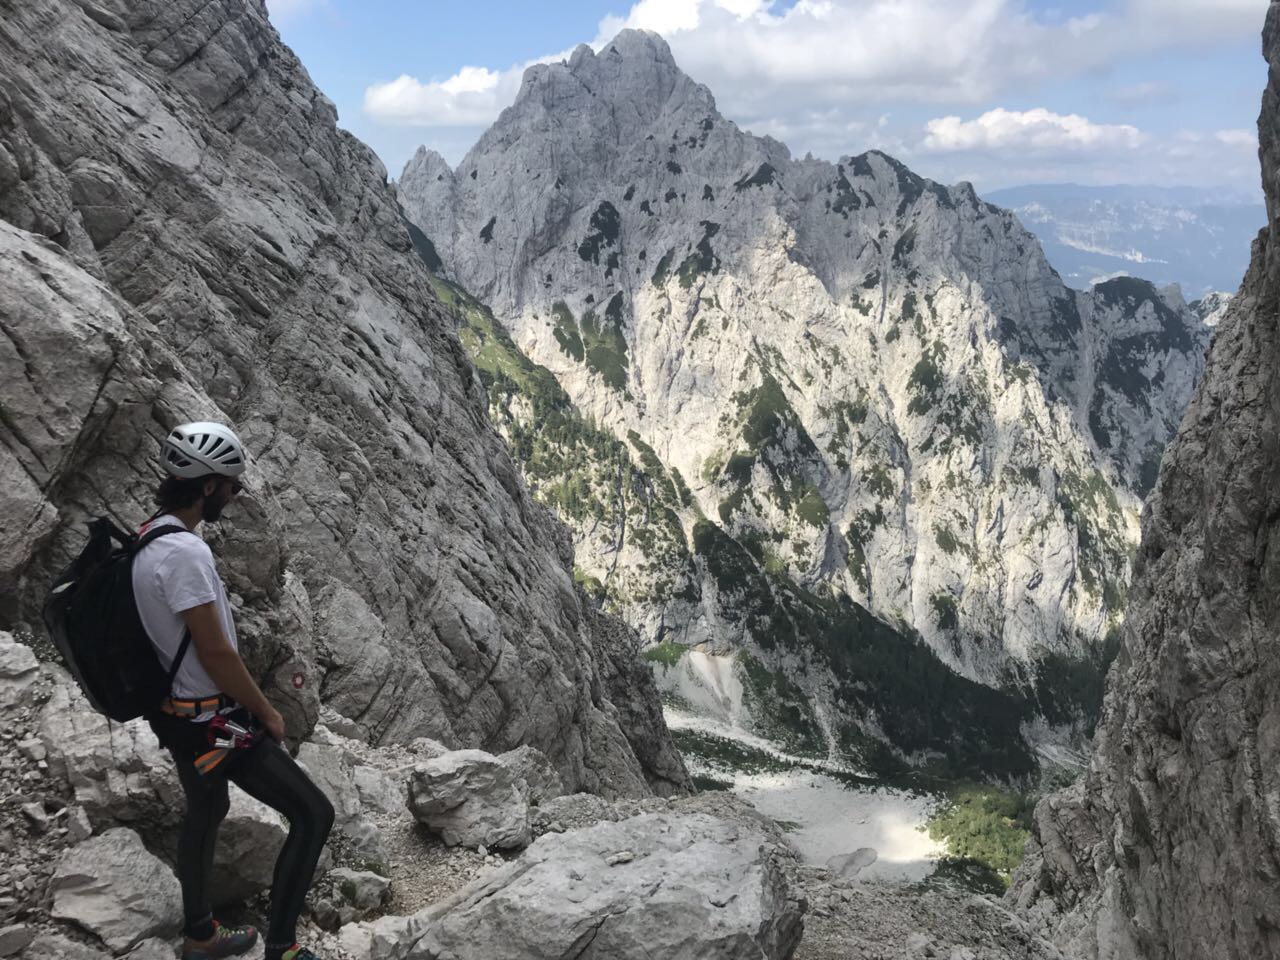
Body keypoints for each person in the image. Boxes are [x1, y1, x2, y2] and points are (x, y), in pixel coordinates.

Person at [133, 421, 334, 960]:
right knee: (314, 813)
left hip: (178, 715)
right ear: (206, 486)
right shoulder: (185, 554)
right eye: (230, 483)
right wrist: (265, 711)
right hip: (211, 723)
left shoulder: (148, 536)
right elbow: (216, 653)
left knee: (207, 810)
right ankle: (283, 948)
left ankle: (200, 935)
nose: (235, 492)